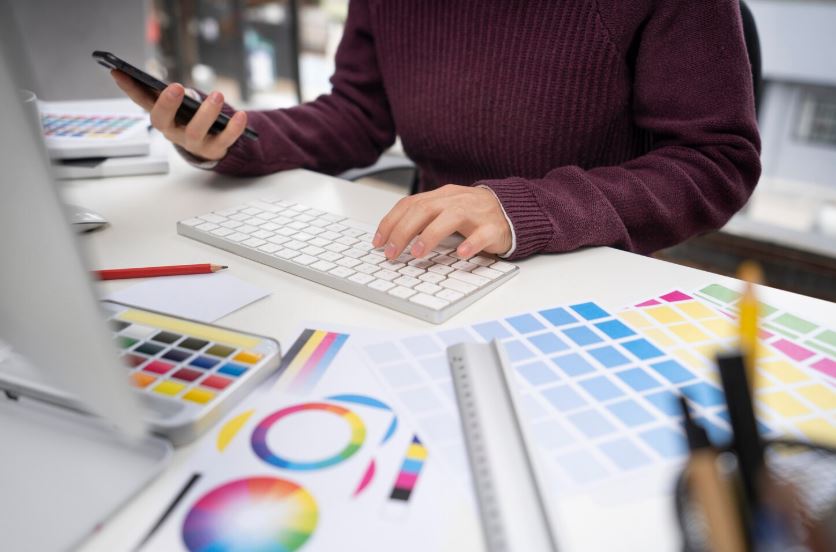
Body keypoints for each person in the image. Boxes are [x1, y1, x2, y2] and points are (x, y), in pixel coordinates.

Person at [112, 0, 761, 264]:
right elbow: (358, 116)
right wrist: (235, 135)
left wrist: (519, 208)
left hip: (579, 267)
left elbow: (715, 161)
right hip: (425, 257)